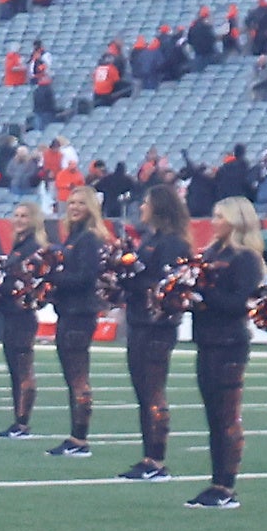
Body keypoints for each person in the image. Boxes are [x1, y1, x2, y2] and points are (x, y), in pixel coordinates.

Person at [184, 197, 267, 509]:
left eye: (220, 216)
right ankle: (216, 481)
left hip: (230, 343)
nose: (214, 221)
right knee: (213, 417)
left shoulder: (245, 258)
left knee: (227, 417)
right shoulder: (210, 253)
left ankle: (227, 486)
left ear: (236, 220)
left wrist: (202, 291)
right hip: (206, 340)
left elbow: (238, 304)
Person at [113, 182, 190, 483]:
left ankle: (157, 460)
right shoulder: (149, 239)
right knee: (144, 392)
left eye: (146, 203)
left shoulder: (173, 243)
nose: (142, 208)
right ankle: (149, 456)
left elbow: (167, 287)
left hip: (157, 326)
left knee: (153, 390)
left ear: (159, 207)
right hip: (139, 322)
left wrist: (137, 281)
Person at [45, 182, 106, 455]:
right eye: (71, 203)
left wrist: (52, 279)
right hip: (69, 312)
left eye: (81, 203)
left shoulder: (89, 238)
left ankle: (80, 438)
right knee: (73, 376)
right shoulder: (74, 237)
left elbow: (85, 277)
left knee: (78, 376)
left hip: (80, 313)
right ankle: (76, 435)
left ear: (91, 208)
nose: (75, 207)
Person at [0, 197, 44, 437]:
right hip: (11, 313)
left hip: (23, 314)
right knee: (15, 368)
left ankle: (22, 422)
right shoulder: (19, 246)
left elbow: (32, 281)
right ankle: (18, 420)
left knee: (22, 368)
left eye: (24, 216)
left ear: (34, 220)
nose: (19, 220)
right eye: (16, 215)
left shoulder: (33, 247)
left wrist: (3, 283)